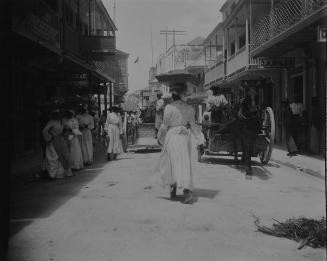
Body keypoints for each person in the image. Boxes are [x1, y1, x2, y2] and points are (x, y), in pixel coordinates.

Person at [155, 82, 204, 204]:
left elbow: (164, 126)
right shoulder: (189, 108)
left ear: (172, 95)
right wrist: (200, 139)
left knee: (171, 163)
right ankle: (187, 192)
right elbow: (193, 125)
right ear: (182, 95)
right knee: (185, 163)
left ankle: (173, 188)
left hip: (172, 137)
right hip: (185, 137)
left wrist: (159, 137)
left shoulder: (169, 108)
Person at [42, 109, 72, 179]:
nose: (57, 115)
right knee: (54, 157)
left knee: (64, 156)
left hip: (61, 140)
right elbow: (44, 131)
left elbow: (67, 129)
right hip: (53, 142)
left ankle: (62, 173)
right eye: (55, 114)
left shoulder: (61, 122)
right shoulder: (51, 122)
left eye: (58, 114)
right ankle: (52, 175)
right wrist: (49, 138)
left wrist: (67, 132)